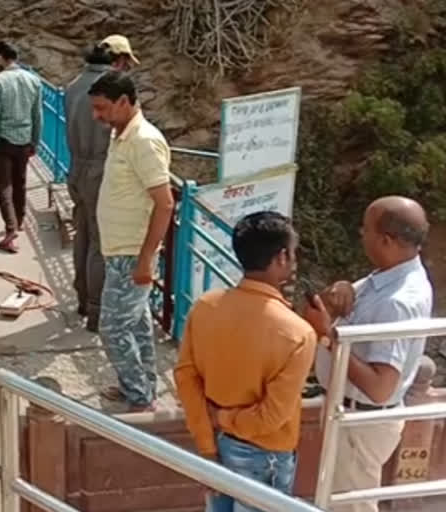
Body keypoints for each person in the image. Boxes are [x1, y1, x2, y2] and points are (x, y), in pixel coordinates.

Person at [174, 211, 317, 512]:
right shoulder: (298, 333)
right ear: (280, 258)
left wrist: (207, 444)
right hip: (266, 456)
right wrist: (224, 419)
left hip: (215, 443)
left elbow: (186, 378)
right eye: (293, 254)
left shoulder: (204, 307)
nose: (294, 261)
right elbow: (271, 418)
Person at [306, 196, 433, 512]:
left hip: (360, 421)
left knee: (352, 505)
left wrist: (330, 339)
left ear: (387, 240)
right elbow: (323, 310)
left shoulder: (398, 301)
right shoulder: (384, 280)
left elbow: (380, 388)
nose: (361, 235)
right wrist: (339, 290)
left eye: (366, 229)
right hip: (347, 414)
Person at [89, 71, 174, 412]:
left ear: (124, 102)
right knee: (136, 325)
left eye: (102, 108)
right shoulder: (121, 133)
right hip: (120, 252)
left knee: (111, 329)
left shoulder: (143, 140)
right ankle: (140, 387)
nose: (97, 116)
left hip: (132, 254)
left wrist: (144, 260)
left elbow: (165, 203)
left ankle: (140, 398)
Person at [64, 44, 114, 332]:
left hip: (76, 167)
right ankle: (96, 310)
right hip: (100, 168)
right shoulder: (110, 90)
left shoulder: (73, 86)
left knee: (82, 232)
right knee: (99, 242)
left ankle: (82, 297)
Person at [0, 41, 43, 253]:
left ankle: (10, 229)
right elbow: (38, 116)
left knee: (4, 186)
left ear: (0, 57)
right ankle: (20, 220)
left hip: (4, 141)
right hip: (24, 139)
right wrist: (36, 140)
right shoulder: (33, 81)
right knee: (20, 181)